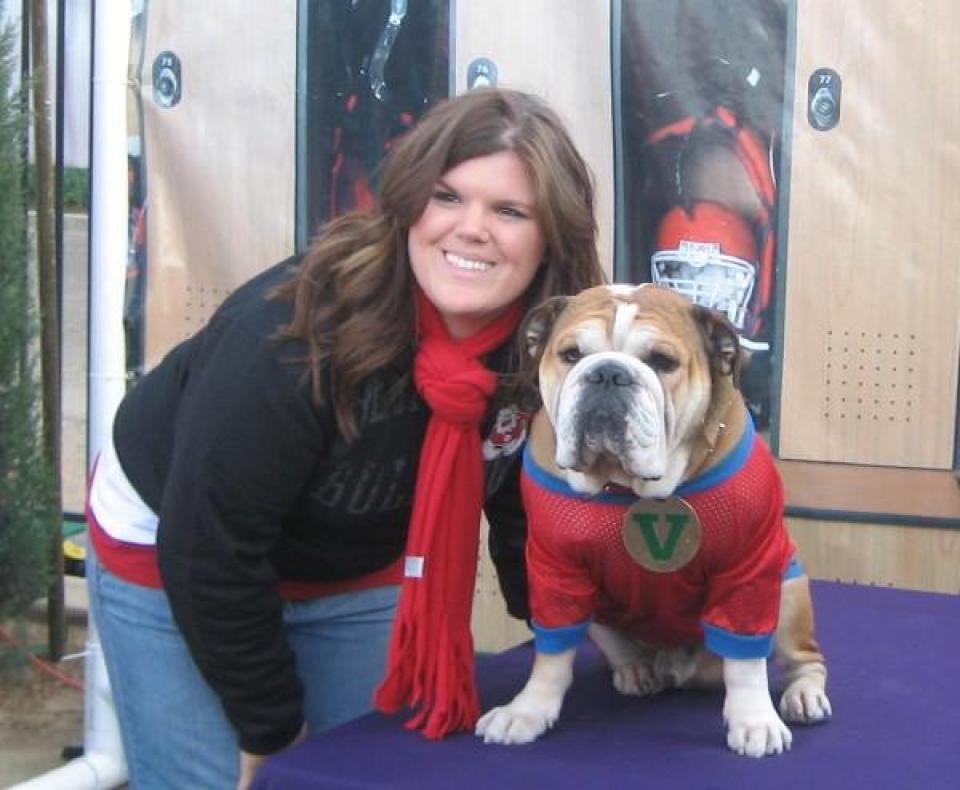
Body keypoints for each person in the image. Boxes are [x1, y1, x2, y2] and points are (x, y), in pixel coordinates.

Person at [85, 86, 606, 789]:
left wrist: (573, 641)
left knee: (373, 773)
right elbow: (209, 548)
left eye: (509, 211)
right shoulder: (288, 340)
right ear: (408, 202)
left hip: (353, 557)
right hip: (179, 548)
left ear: (552, 236)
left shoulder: (552, 340)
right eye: (447, 197)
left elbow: (521, 499)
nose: (471, 229)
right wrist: (270, 729)